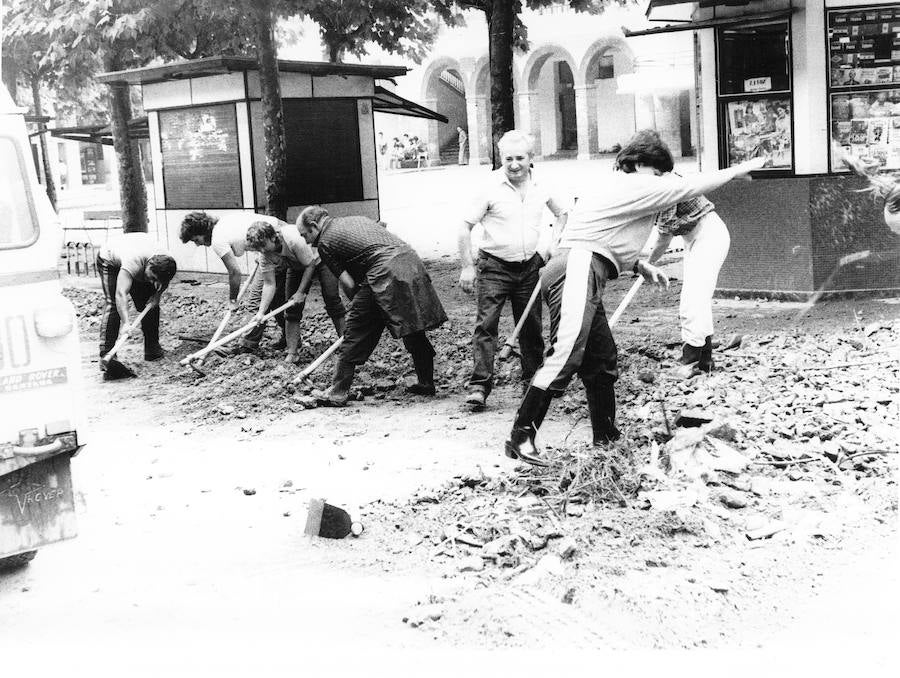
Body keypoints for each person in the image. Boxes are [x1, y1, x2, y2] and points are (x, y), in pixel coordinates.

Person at [504, 131, 766, 466]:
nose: (661, 180)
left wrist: (639, 265)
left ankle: (606, 437)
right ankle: (521, 437)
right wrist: (736, 170)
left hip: (586, 266)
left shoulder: (622, 187)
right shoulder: (631, 182)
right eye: (657, 172)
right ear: (640, 162)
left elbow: (607, 236)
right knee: (567, 351)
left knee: (601, 360)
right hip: (578, 266)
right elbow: (686, 187)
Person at [458, 129, 570, 410]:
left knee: (532, 328)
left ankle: (533, 384)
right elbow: (464, 228)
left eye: (520, 158)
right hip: (494, 266)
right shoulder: (489, 187)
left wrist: (550, 247)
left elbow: (563, 213)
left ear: (531, 158)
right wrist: (467, 267)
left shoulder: (542, 185)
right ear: (502, 158)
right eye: (508, 159)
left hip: (530, 268)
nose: (514, 164)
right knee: (486, 326)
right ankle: (479, 387)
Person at [297, 206, 447, 406]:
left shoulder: (324, 242)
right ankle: (426, 382)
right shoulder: (357, 218)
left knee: (354, 332)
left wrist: (359, 308)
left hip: (383, 271)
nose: (306, 241)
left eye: (305, 234)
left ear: (314, 226)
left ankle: (338, 392)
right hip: (410, 263)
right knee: (413, 327)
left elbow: (348, 284)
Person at [626, 130, 731, 373]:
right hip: (695, 238)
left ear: (653, 164)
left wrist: (647, 264)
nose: (636, 170)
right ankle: (704, 359)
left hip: (709, 235)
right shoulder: (657, 182)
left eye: (640, 165)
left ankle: (693, 358)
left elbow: (663, 237)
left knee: (695, 298)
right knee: (694, 299)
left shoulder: (668, 185)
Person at [179, 210, 288, 351]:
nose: (198, 244)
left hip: (277, 240)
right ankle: (290, 337)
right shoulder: (224, 222)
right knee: (273, 298)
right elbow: (249, 230)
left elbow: (235, 272)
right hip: (281, 233)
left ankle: (247, 345)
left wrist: (232, 300)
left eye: (196, 240)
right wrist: (260, 253)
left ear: (202, 231)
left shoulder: (217, 239)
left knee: (256, 300)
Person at [243, 221, 345, 363]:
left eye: (263, 246)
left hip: (321, 259)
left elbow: (310, 265)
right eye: (259, 249)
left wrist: (301, 292)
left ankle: (347, 344)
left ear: (273, 237)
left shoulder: (292, 239)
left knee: (331, 299)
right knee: (291, 307)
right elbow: (269, 283)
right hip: (296, 266)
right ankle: (292, 352)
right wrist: (261, 312)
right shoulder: (264, 254)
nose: (262, 251)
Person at [96, 232, 177, 380]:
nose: (150, 281)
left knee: (150, 305)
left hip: (142, 259)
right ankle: (108, 355)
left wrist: (156, 296)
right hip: (110, 259)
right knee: (113, 305)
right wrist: (126, 323)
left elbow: (163, 282)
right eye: (150, 277)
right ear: (149, 265)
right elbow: (121, 293)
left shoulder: (167, 263)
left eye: (155, 280)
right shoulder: (133, 261)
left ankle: (152, 349)